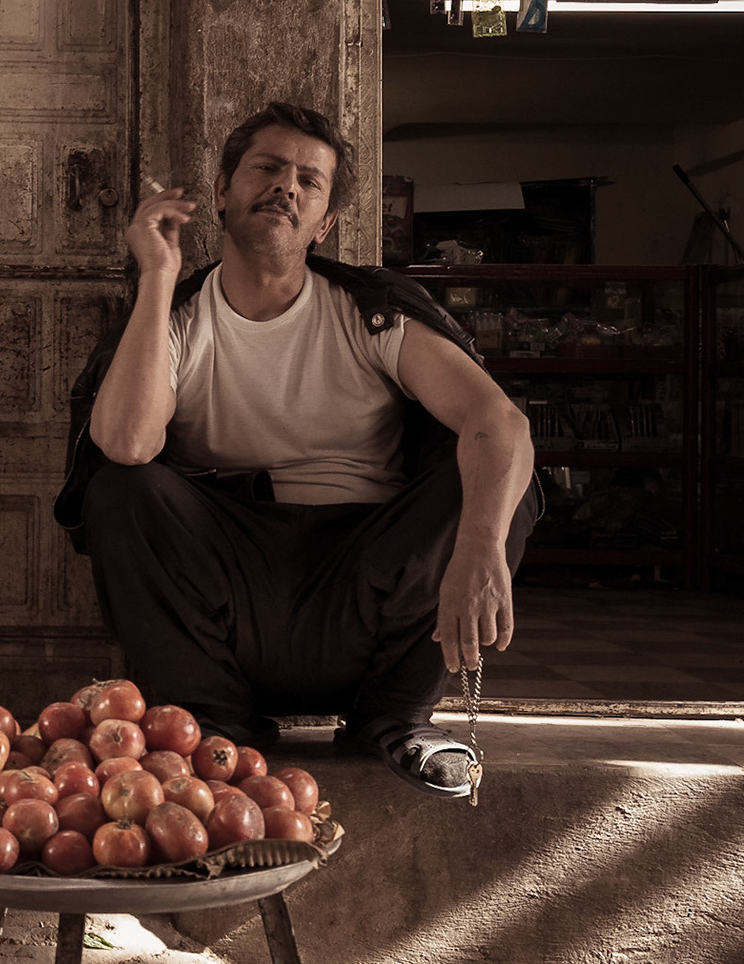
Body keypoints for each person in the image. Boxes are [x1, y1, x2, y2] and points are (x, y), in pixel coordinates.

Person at [54, 102, 541, 799]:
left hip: (366, 585)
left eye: (309, 181)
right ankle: (214, 730)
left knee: (496, 475)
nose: (287, 186)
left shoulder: (369, 314)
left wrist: (480, 547)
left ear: (326, 223)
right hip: (231, 593)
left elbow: (499, 420)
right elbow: (127, 443)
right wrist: (158, 275)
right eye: (268, 169)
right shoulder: (179, 320)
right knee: (121, 490)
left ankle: (397, 721)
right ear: (222, 193)